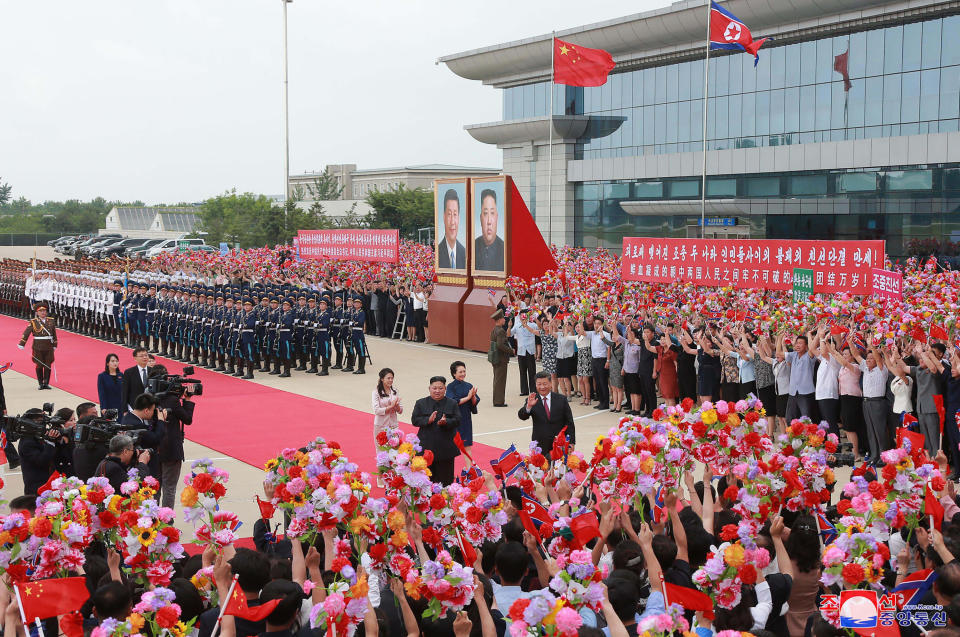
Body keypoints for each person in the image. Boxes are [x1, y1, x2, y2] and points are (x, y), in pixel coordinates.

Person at [154, 366, 196, 509]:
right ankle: (167, 521)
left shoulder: (148, 397)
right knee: (169, 487)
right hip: (171, 448)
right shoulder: (171, 400)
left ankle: (152, 519)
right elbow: (187, 419)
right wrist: (188, 400)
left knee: (155, 487)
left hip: (154, 447)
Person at [411, 376, 461, 486]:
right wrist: (427, 420)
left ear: (445, 388)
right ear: (429, 388)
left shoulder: (452, 403)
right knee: (425, 481)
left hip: (445, 449)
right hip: (426, 449)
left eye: (440, 388)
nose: (437, 391)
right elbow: (415, 420)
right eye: (434, 388)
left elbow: (457, 420)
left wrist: (446, 421)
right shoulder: (421, 403)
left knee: (445, 482)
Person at [518, 371, 575, 454]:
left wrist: (571, 442)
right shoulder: (532, 399)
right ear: (535, 384)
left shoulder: (561, 399)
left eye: (545, 384)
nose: (542, 387)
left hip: (559, 443)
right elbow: (522, 416)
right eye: (539, 384)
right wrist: (528, 406)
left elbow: (569, 422)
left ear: (551, 383)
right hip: (540, 445)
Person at [17, 408, 68, 495]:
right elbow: (42, 461)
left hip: (48, 486)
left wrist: (58, 440)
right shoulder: (27, 443)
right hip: (36, 489)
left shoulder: (38, 436)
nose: (43, 425)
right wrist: (50, 442)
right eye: (39, 421)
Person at [120, 392, 166, 479]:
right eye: (153, 410)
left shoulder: (129, 417)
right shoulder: (136, 424)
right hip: (143, 468)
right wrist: (161, 420)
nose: (153, 413)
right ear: (146, 410)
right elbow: (156, 438)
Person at [17, 301, 57, 390]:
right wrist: (22, 343)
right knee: (39, 365)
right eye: (41, 311)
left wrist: (55, 344)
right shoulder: (33, 322)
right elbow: (26, 333)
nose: (43, 313)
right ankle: (40, 383)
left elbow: (54, 334)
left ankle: (46, 383)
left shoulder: (51, 320)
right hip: (38, 346)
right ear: (37, 313)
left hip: (48, 346)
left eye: (44, 311)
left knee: (48, 365)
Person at [447, 361, 479, 468]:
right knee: (451, 446)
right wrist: (468, 397)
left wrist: (473, 396)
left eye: (464, 371)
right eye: (460, 372)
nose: (463, 374)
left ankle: (469, 470)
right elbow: (453, 402)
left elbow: (474, 404)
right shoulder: (451, 387)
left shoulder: (469, 385)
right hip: (454, 420)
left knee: (467, 446)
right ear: (454, 374)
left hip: (465, 419)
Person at [474, 188, 505, 272]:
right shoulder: (471, 248)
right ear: (480, 218)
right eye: (485, 213)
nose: (489, 221)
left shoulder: (505, 251)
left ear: (497, 217)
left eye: (492, 213)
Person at [488, 309, 513, 407]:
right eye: (503, 318)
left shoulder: (495, 329)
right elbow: (500, 345)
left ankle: (497, 400)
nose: (504, 320)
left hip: (495, 358)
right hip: (501, 358)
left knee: (497, 379)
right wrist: (511, 351)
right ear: (499, 319)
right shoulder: (501, 331)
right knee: (500, 381)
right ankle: (499, 401)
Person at [372, 367, 403, 444]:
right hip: (381, 426)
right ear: (382, 379)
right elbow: (376, 410)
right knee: (381, 451)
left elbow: (401, 410)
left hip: (393, 425)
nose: (391, 380)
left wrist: (396, 406)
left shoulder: (395, 391)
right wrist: (390, 407)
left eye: (392, 378)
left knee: (394, 450)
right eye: (388, 378)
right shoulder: (376, 392)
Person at [437, 188, 465, 269]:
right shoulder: (437, 253)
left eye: (455, 214)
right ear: (444, 216)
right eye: (449, 214)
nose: (453, 221)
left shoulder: (465, 254)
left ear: (459, 217)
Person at [512, 311, 538, 396]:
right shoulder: (517, 326)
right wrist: (509, 327)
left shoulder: (532, 325)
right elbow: (509, 334)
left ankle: (533, 390)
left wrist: (528, 323)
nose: (522, 317)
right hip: (521, 351)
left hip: (530, 351)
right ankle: (524, 390)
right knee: (522, 371)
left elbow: (538, 330)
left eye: (524, 315)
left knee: (532, 371)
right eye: (520, 316)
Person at [120, 347, 151, 414]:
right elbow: (125, 391)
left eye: (146, 355)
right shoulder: (129, 372)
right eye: (141, 356)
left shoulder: (153, 371)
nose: (144, 357)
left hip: (150, 408)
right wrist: (125, 410)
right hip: (134, 407)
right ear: (135, 358)